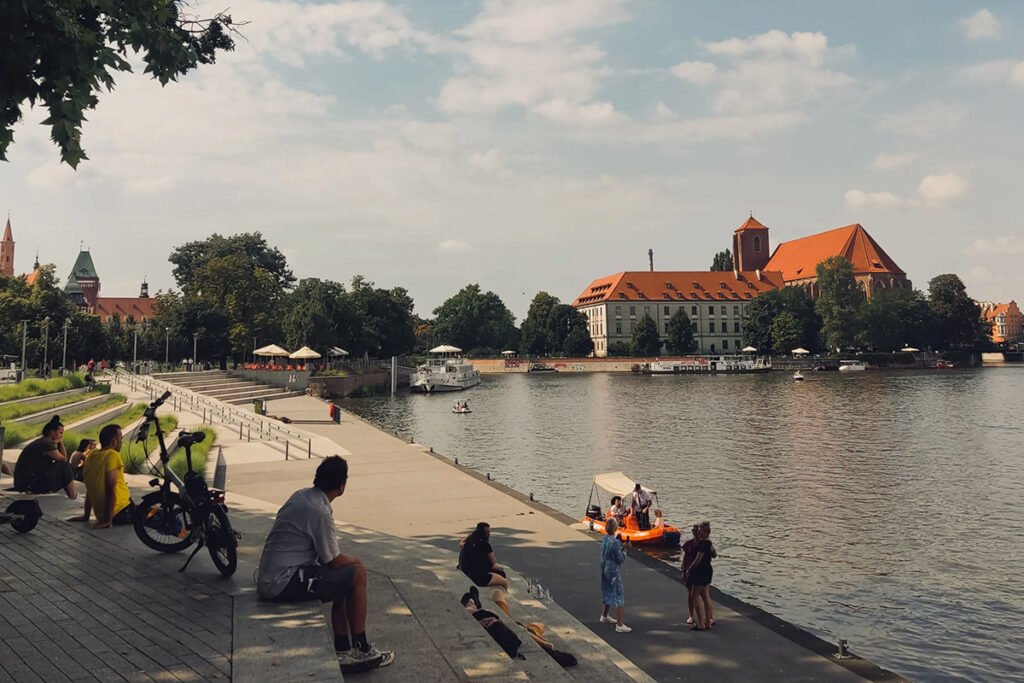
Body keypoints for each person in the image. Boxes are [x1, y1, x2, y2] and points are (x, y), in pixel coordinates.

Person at [256, 456, 394, 671]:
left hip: (272, 576)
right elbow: (334, 560)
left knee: (342, 579)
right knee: (357, 574)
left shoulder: (301, 496)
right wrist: (358, 562)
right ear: (342, 486)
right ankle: (362, 647)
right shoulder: (319, 511)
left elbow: (329, 562)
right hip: (284, 581)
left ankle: (343, 649)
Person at [71, 425, 132, 529]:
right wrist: (108, 520)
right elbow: (110, 489)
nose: (122, 440)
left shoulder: (91, 455)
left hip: (103, 514)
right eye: (120, 438)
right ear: (114, 442)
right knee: (156, 514)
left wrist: (86, 515)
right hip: (121, 510)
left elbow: (91, 487)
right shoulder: (112, 455)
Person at [12, 416, 77, 498]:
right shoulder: (46, 445)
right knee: (65, 467)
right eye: (60, 433)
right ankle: (73, 496)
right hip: (29, 484)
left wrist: (59, 442)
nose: (61, 436)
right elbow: (64, 459)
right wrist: (60, 443)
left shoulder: (42, 442)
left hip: (26, 482)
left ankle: (72, 495)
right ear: (52, 432)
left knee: (65, 466)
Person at [599, 518, 631, 633]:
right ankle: (620, 624)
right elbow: (619, 559)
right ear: (615, 528)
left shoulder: (605, 539)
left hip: (604, 567)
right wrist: (625, 550)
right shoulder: (615, 542)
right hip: (613, 570)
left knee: (608, 590)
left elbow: (610, 553)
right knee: (619, 595)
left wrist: (621, 548)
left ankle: (605, 614)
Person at [684, 521, 717, 631]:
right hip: (708, 569)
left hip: (700, 571)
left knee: (694, 595)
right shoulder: (709, 543)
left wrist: (689, 569)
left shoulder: (702, 544)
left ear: (705, 532)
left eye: (700, 531)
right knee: (706, 595)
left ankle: (701, 623)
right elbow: (715, 555)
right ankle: (708, 621)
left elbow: (698, 560)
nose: (698, 532)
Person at [459, 522, 509, 590]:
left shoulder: (468, 542)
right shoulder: (485, 545)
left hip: (469, 572)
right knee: (504, 582)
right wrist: (501, 569)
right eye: (487, 532)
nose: (488, 535)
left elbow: (461, 543)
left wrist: (472, 535)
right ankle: (503, 598)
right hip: (479, 577)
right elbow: (493, 563)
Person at [680, 524, 700, 625]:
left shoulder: (703, 544)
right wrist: (683, 569)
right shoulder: (689, 544)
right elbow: (685, 557)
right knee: (691, 594)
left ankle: (699, 616)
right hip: (690, 569)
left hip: (698, 570)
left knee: (699, 595)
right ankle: (692, 615)